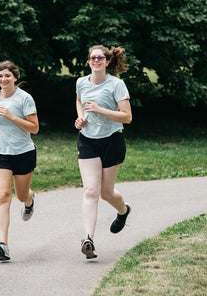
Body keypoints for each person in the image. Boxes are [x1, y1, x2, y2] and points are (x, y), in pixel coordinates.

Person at [75, 44, 132, 259]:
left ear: (107, 62)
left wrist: (100, 110)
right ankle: (88, 239)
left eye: (100, 58)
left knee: (106, 193)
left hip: (112, 141)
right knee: (90, 191)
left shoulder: (116, 85)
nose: (96, 61)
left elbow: (127, 117)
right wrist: (81, 117)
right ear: (89, 61)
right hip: (88, 140)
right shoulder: (81, 82)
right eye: (93, 58)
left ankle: (123, 211)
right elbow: (79, 100)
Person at [0, 60, 39, 262]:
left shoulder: (25, 99)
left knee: (21, 196)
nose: (3, 79)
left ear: (15, 77)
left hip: (23, 152)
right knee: (3, 195)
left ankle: (30, 200)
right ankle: (3, 245)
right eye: (0, 76)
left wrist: (12, 117)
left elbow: (34, 128)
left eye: (7, 76)